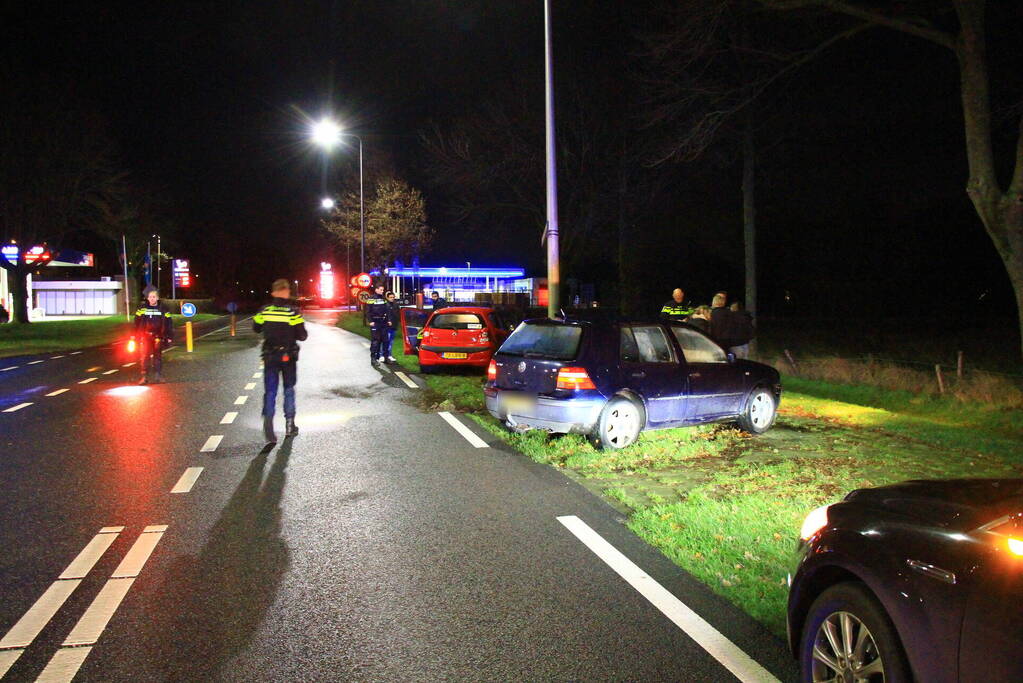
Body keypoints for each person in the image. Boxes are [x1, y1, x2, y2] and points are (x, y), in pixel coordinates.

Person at [253, 279, 308, 444]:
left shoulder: (264, 311)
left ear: (273, 293)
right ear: (286, 292)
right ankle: (290, 424)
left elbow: (256, 328)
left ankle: (268, 423)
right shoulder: (293, 312)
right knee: (289, 389)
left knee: (270, 391)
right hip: (288, 356)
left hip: (270, 355)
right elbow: (302, 336)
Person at [134, 286, 173, 384]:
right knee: (145, 356)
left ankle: (158, 376)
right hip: (145, 336)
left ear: (157, 298)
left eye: (154, 297)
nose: (152, 299)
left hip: (158, 336)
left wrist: (169, 336)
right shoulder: (142, 309)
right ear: (147, 298)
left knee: (158, 356)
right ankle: (144, 377)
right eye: (150, 297)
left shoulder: (163, 309)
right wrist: (135, 335)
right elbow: (136, 322)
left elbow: (169, 323)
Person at [365, 283, 391, 366]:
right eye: (381, 290)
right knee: (375, 341)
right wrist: (370, 321)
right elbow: (367, 311)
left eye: (383, 290)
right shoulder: (371, 299)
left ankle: (386, 358)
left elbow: (387, 310)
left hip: (383, 322)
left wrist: (388, 320)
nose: (382, 291)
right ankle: (373, 359)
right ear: (376, 290)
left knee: (386, 341)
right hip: (375, 322)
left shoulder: (383, 299)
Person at [384, 291, 400, 363]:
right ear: (387, 298)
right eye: (390, 297)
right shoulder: (385, 305)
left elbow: (398, 314)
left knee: (391, 341)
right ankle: (383, 355)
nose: (392, 298)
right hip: (387, 326)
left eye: (393, 297)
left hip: (394, 325)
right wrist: (388, 321)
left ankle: (389, 355)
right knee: (386, 341)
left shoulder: (396, 305)